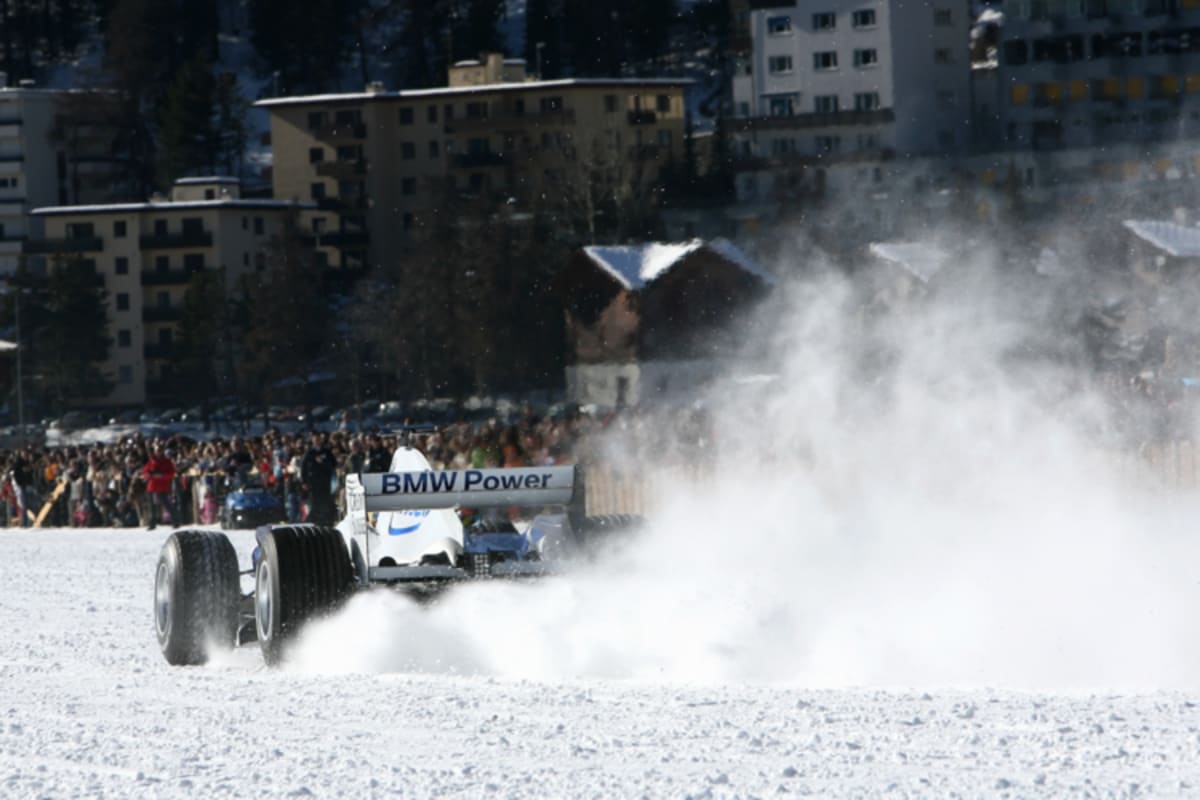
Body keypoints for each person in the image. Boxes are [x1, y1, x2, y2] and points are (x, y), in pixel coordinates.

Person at [300, 430, 337, 524]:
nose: (317, 441)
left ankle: (327, 521)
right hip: (313, 483)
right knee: (314, 503)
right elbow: (303, 468)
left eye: (318, 439)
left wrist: (323, 463)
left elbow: (333, 464)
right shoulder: (309, 453)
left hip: (325, 482)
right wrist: (304, 482)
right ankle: (314, 521)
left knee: (326, 502)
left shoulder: (327, 452)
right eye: (315, 439)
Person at [142, 443, 176, 530]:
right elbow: (144, 472)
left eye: (160, 451)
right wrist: (150, 475)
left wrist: (162, 475)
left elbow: (172, 473)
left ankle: (175, 521)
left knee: (167, 504)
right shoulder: (151, 461)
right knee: (151, 506)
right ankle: (152, 524)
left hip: (162, 486)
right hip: (152, 486)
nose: (158, 452)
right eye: (157, 451)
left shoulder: (167, 462)